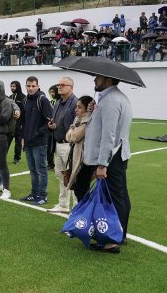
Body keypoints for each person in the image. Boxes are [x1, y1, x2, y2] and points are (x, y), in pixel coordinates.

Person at [74, 75, 132, 253]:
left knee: (114, 197)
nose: (94, 80)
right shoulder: (114, 98)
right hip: (116, 155)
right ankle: (119, 234)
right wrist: (93, 112)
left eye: (97, 78)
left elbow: (109, 136)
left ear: (107, 80)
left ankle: (113, 240)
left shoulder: (111, 101)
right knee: (119, 195)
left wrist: (102, 165)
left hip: (111, 157)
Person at [19, 76, 53, 205]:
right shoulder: (25, 100)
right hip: (28, 142)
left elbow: (49, 120)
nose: (31, 88)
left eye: (33, 86)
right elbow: (23, 121)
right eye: (28, 86)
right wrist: (23, 137)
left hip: (39, 142)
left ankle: (43, 196)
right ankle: (34, 194)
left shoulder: (42, 100)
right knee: (33, 171)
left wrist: (37, 133)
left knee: (41, 170)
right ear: (26, 86)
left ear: (38, 86)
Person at [46, 77, 78, 213]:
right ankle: (63, 204)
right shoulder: (58, 103)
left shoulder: (76, 103)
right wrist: (51, 125)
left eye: (62, 84)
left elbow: (78, 124)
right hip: (58, 143)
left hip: (70, 145)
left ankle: (77, 207)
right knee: (61, 176)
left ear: (71, 87)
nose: (59, 86)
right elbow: (55, 121)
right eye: (59, 84)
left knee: (73, 177)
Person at [66, 95, 94, 200]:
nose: (76, 109)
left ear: (88, 108)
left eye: (79, 107)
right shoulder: (77, 119)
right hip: (75, 158)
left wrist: (72, 129)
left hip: (84, 162)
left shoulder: (88, 121)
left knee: (82, 191)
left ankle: (84, 215)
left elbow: (75, 137)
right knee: (78, 190)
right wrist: (73, 130)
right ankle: (81, 213)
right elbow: (68, 137)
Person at [8, 81, 25, 164]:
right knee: (6, 141)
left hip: (19, 123)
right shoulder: (10, 97)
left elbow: (25, 112)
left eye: (14, 86)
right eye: (11, 86)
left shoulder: (23, 97)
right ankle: (2, 156)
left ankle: (17, 158)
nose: (12, 88)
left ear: (18, 87)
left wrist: (22, 123)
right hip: (10, 124)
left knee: (18, 142)